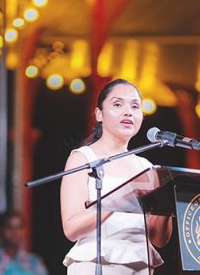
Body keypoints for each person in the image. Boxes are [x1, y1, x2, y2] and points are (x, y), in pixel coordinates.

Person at [60, 78, 173, 274]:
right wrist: (119, 200)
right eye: (118, 104)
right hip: (95, 264)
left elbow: (159, 239)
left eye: (135, 106)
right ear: (99, 114)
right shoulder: (83, 159)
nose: (128, 111)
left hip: (139, 267)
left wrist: (168, 205)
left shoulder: (147, 168)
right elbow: (71, 229)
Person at [0, 210, 49, 275]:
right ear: (0, 230)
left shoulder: (34, 263)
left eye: (19, 228)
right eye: (9, 227)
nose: (14, 232)